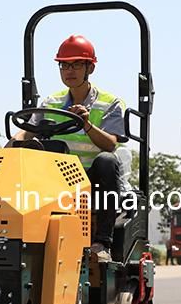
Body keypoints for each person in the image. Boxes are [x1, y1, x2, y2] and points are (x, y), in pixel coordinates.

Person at [12, 34, 128, 262]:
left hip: (92, 179)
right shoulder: (51, 102)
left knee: (106, 160)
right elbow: (28, 130)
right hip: (57, 177)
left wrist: (87, 125)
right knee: (32, 153)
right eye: (64, 65)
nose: (69, 70)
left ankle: (102, 243)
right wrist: (14, 143)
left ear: (90, 68)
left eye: (76, 64)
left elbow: (111, 144)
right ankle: (23, 237)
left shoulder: (110, 103)